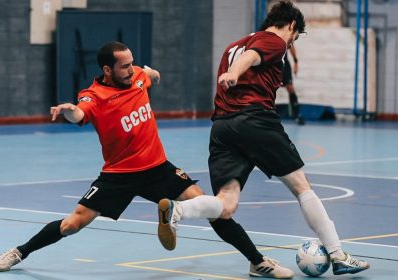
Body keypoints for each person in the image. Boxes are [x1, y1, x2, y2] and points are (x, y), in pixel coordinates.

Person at [157, 1, 370, 278]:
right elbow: (253, 57)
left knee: (226, 203)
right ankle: (338, 255)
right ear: (291, 25)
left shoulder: (232, 45)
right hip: (255, 120)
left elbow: (246, 57)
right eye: (295, 36)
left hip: (222, 127)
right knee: (301, 186)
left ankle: (178, 210)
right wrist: (235, 72)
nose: (292, 41)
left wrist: (232, 72)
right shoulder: (274, 41)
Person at [0, 41, 224, 272]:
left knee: (201, 201)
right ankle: (19, 252)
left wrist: (154, 73)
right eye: (124, 66)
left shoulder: (138, 76)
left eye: (132, 64)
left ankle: (253, 258)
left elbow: (150, 75)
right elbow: (80, 113)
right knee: (72, 224)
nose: (131, 70)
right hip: (118, 174)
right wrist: (69, 110)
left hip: (156, 168)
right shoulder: (94, 96)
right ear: (107, 70)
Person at [283, 44, 305, 125]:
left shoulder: (286, 35)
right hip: (273, 63)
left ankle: (297, 115)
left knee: (290, 88)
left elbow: (291, 45)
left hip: (284, 64)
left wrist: (295, 62)